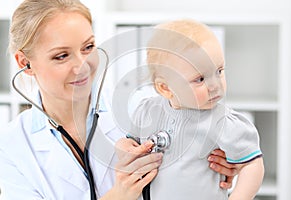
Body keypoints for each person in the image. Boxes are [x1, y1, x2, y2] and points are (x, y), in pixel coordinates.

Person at [0, 0, 238, 199]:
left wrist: (221, 163)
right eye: (62, 56)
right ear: (25, 63)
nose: (82, 67)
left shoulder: (149, 106)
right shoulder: (13, 147)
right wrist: (120, 194)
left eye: (88, 47)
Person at [120, 19, 265, 200]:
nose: (215, 85)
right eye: (200, 79)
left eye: (219, 71)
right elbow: (131, 144)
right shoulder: (148, 110)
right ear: (165, 88)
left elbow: (252, 165)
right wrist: (125, 147)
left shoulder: (223, 121)